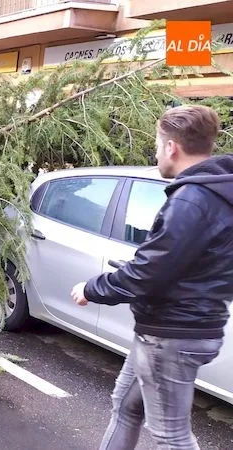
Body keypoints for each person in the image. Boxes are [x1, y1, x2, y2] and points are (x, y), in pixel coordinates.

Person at [70, 104, 233, 450]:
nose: (156, 153)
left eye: (158, 145)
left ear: (172, 147)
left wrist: (91, 288)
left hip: (170, 335)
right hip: (181, 326)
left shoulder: (193, 199)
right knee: (126, 406)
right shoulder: (217, 192)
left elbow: (148, 272)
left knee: (171, 436)